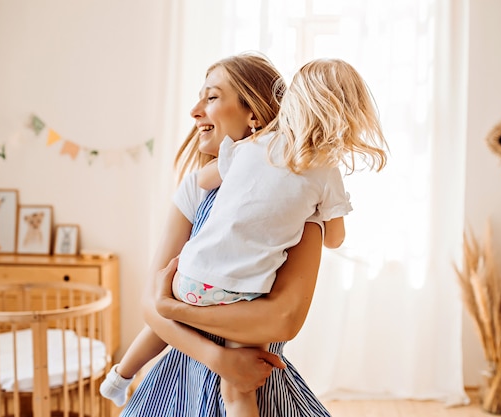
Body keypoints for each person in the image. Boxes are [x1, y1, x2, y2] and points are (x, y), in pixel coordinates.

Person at [105, 52, 383, 417]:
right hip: (195, 374)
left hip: (235, 349)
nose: (194, 111)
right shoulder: (311, 188)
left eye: (212, 97)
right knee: (238, 394)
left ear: (253, 113)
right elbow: (151, 307)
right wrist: (218, 358)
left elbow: (284, 320)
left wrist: (173, 308)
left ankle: (118, 377)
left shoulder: (263, 169)